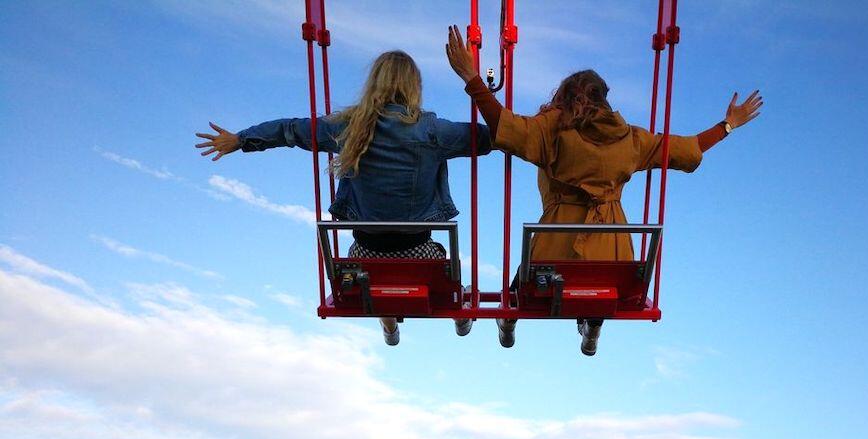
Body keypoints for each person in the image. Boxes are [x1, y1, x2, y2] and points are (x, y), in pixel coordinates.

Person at [445, 26, 762, 355]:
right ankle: (593, 322)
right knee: (597, 276)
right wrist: (727, 126)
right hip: (613, 254)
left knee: (524, 285)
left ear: (565, 96)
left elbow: (503, 125)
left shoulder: (552, 128)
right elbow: (687, 149)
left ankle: (509, 321)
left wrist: (472, 78)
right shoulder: (631, 139)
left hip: (557, 246)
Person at [196, 50, 491, 346]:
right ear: (414, 86)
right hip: (420, 254)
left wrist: (241, 139)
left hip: (364, 255)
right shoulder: (433, 132)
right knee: (443, 263)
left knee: (375, 271)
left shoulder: (349, 128)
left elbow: (291, 130)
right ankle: (459, 313)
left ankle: (388, 324)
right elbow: (492, 136)